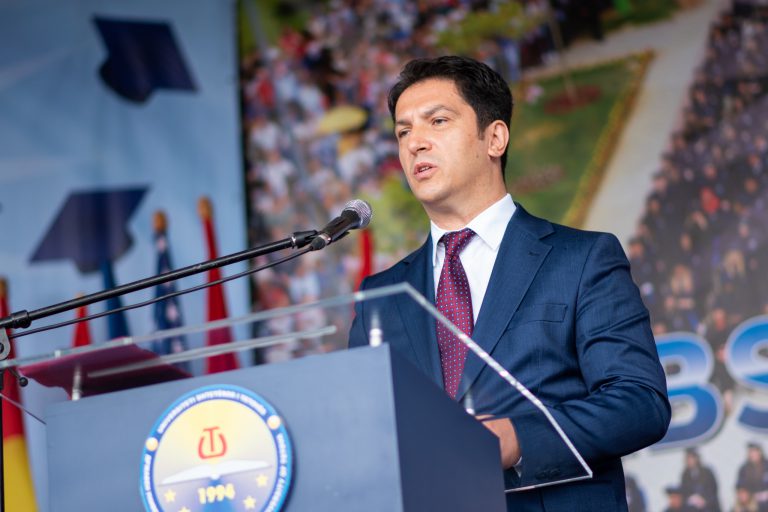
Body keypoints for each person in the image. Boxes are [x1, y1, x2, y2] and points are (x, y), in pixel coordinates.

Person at [348, 55, 671, 511]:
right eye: (403, 132)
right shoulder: (380, 299)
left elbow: (639, 402)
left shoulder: (581, 259)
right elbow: (364, 436)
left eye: (437, 121)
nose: (415, 143)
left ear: (495, 138)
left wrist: (518, 438)